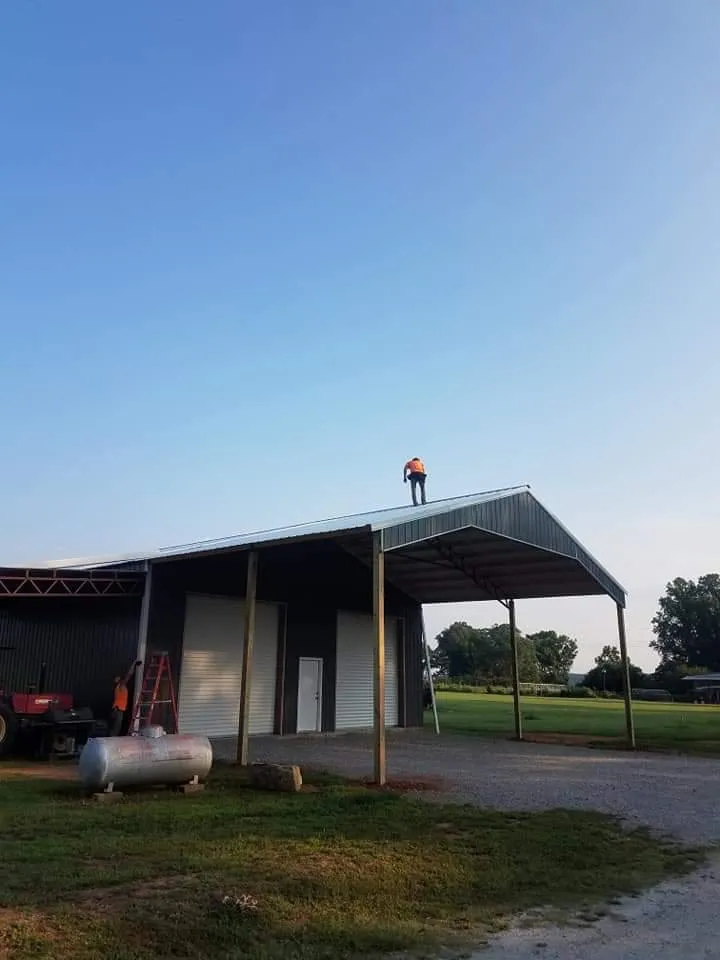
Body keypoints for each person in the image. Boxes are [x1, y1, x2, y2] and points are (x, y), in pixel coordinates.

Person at [109, 660, 142, 737]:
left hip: (116, 710)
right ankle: (112, 742)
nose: (118, 678)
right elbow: (129, 675)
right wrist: (134, 664)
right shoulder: (121, 685)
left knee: (116, 728)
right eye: (116, 678)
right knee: (116, 728)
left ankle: (111, 740)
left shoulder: (118, 687)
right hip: (117, 710)